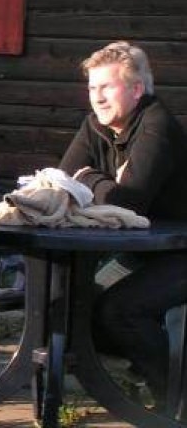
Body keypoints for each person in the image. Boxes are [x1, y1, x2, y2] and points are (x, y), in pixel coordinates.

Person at [58, 41, 187, 410]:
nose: (97, 98)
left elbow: (127, 203)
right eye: (92, 88)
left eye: (107, 87)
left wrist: (88, 178)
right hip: (145, 253)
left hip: (180, 252)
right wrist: (96, 182)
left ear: (136, 89)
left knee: (120, 312)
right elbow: (63, 180)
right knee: (72, 308)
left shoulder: (157, 125)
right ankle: (149, 371)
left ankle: (175, 404)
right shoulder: (95, 125)